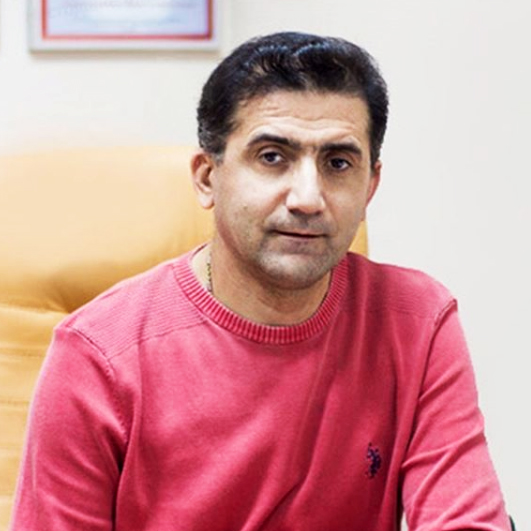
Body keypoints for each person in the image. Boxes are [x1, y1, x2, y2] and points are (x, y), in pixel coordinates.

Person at [10, 32, 510, 531]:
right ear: (207, 177)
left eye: (338, 163)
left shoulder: (418, 321)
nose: (308, 198)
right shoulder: (95, 355)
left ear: (369, 188)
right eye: (272, 156)